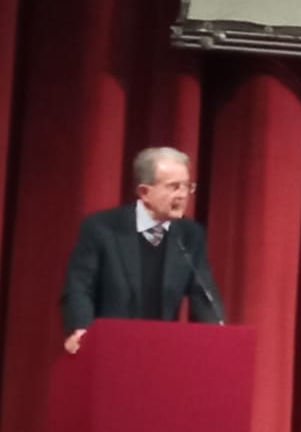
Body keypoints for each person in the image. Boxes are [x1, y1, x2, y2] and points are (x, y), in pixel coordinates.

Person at [59, 145, 224, 354]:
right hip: (109, 349)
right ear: (144, 192)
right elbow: (79, 288)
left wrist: (219, 335)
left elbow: (204, 294)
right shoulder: (101, 228)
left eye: (186, 187)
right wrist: (81, 329)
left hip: (162, 351)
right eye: (173, 187)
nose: (182, 195)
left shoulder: (190, 235)